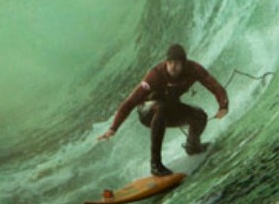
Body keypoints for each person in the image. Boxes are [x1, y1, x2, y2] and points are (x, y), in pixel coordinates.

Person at [98, 44, 229, 176]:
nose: (173, 66)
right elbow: (130, 102)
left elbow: (214, 85)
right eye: (170, 62)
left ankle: (193, 146)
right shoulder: (155, 75)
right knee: (160, 108)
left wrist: (223, 106)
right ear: (166, 62)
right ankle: (155, 164)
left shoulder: (193, 69)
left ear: (184, 63)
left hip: (170, 110)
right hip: (148, 112)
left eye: (177, 63)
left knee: (199, 116)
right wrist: (113, 128)